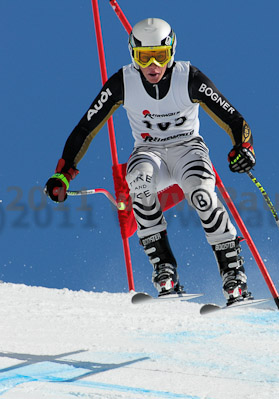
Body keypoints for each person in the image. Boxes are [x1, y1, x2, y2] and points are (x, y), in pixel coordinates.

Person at [45, 18, 256, 305]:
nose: (153, 66)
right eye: (144, 57)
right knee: (139, 184)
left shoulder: (189, 77)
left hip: (188, 149)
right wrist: (63, 174)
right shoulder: (124, 82)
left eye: (161, 55)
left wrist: (244, 147)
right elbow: (86, 127)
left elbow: (234, 118)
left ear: (172, 52)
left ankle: (233, 274)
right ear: (134, 55)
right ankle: (164, 269)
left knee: (201, 193)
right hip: (149, 152)